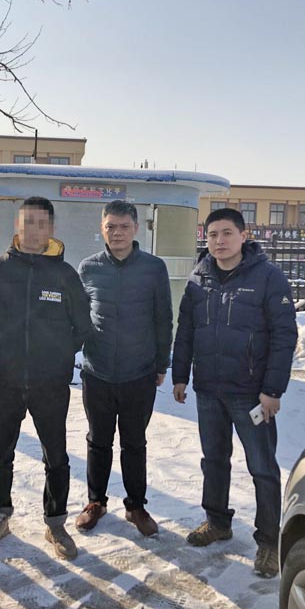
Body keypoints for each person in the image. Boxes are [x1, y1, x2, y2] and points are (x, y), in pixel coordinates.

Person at [172, 207, 297, 578]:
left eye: (227, 233)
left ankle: (269, 541)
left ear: (244, 236)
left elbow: (284, 336)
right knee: (214, 459)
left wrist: (272, 390)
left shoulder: (268, 277)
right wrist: (180, 375)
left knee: (262, 467)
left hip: (251, 393)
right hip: (209, 389)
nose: (219, 241)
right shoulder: (199, 277)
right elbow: (186, 329)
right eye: (212, 234)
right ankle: (217, 521)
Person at [0, 196, 92, 560]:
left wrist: (57, 355)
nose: (35, 230)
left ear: (51, 229)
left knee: (56, 455)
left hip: (50, 384)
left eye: (42, 224)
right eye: (29, 223)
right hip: (5, 382)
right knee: (0, 453)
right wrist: (0, 351)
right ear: (17, 225)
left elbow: (82, 325)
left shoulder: (64, 275)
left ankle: (55, 523)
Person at [75, 200, 173, 537]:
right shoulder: (89, 268)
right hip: (97, 372)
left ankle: (135, 506)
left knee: (134, 442)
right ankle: (95, 502)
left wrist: (161, 363)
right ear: (102, 229)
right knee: (97, 441)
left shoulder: (153, 268)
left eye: (124, 227)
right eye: (111, 227)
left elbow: (163, 318)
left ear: (135, 229)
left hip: (139, 372)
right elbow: (78, 317)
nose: (117, 233)